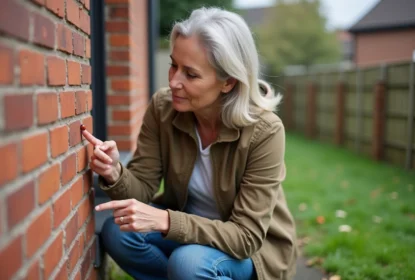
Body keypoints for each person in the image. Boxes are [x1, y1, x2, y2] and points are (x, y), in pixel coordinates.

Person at [83, 7, 297, 280]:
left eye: (191, 74)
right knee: (117, 230)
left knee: (189, 263)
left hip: (249, 251)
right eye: (174, 65)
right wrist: (114, 172)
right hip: (187, 230)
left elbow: (246, 236)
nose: (173, 81)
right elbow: (143, 189)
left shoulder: (265, 131)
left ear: (228, 82)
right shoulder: (163, 107)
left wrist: (166, 221)